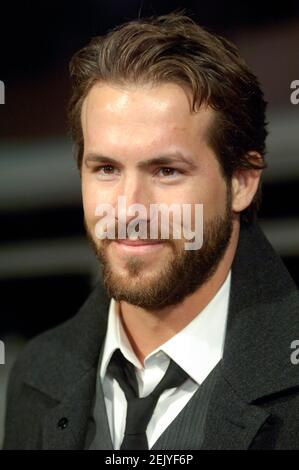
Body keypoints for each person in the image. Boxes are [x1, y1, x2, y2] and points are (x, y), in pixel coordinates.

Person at [3, 12, 299, 450]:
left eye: (166, 171)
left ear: (242, 180)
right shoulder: (35, 374)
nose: (129, 209)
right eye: (105, 169)